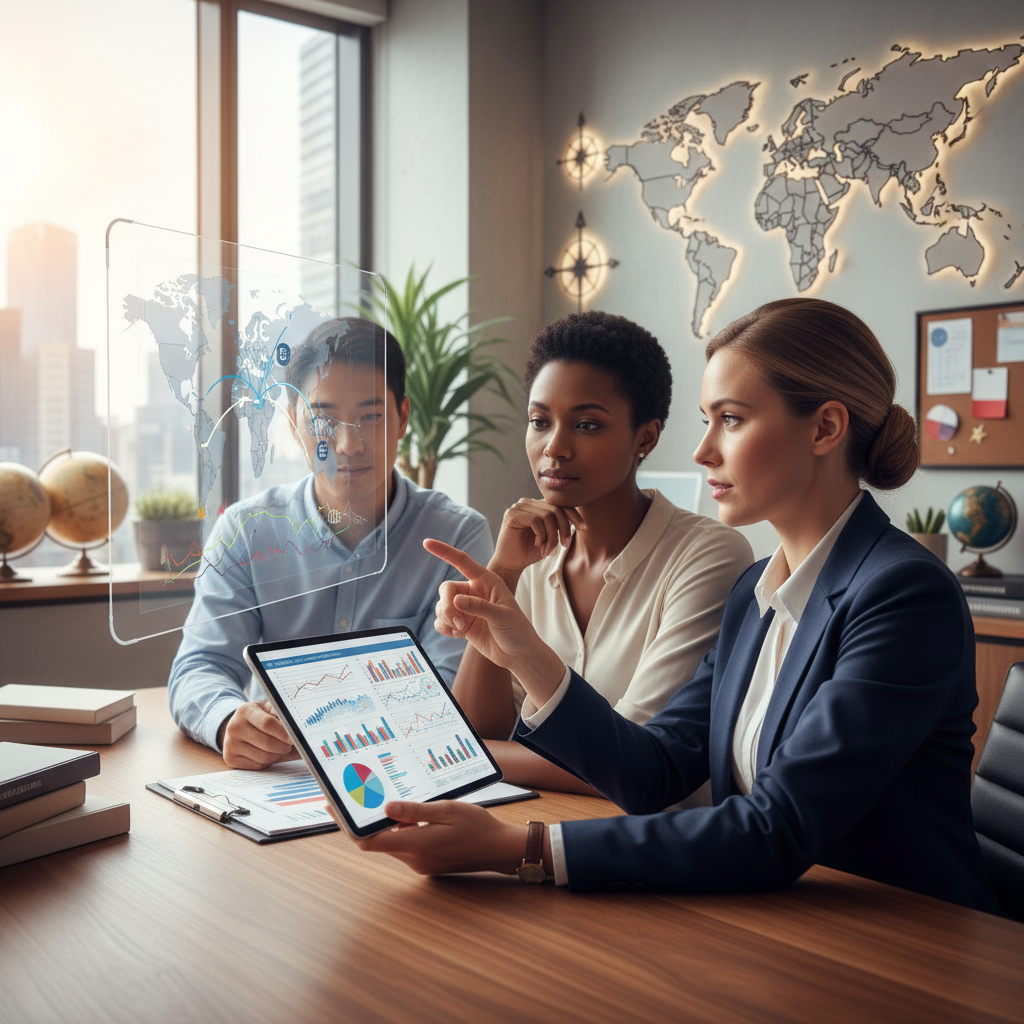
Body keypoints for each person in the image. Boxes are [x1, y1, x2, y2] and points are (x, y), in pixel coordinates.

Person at [345, 298, 999, 913]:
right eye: (708, 418)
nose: (702, 450)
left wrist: (521, 847)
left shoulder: (903, 595)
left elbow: (779, 828)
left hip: (909, 939)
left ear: (825, 427)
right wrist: (524, 653)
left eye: (732, 419)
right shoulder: (756, 594)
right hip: (779, 918)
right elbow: (653, 771)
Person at [168, 317, 493, 769]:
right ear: (292, 422)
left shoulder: (458, 537)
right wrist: (228, 721)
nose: (347, 444)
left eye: (370, 416)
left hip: (404, 778)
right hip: (280, 778)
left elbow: (447, 692)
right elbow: (200, 666)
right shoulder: (246, 530)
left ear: (402, 418)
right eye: (322, 419)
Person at [451, 310, 752, 794]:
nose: (554, 447)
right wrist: (503, 573)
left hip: (648, 851)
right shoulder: (529, 560)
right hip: (541, 830)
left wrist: (463, 757)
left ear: (646, 438)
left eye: (587, 425)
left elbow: (635, 761)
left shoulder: (708, 555)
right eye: (538, 421)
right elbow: (475, 732)